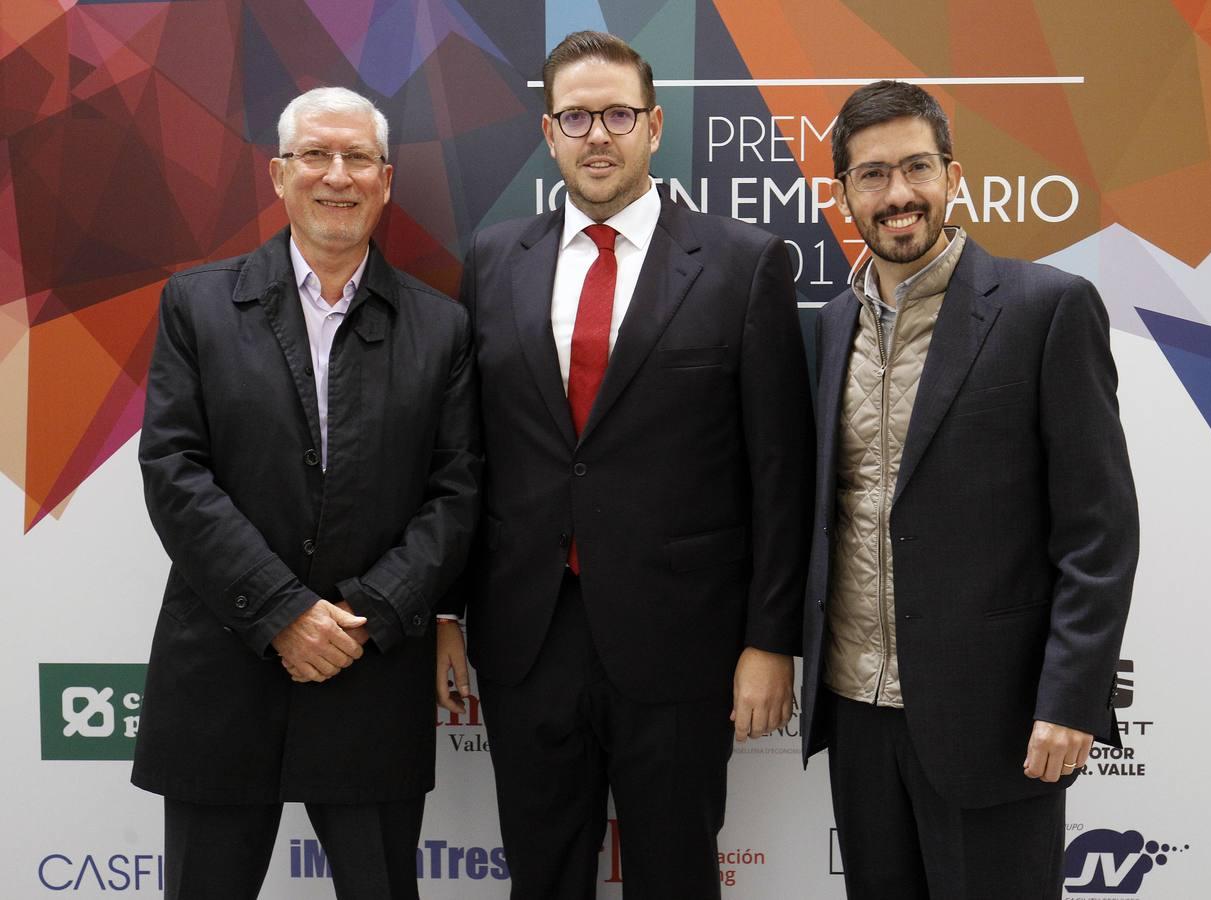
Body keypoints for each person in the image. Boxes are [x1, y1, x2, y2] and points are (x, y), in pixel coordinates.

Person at [438, 30, 813, 900]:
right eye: (576, 116)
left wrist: (770, 639)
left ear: (653, 125)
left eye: (616, 114)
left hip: (682, 640)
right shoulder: (494, 261)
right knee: (542, 875)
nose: (596, 134)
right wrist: (448, 614)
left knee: (676, 875)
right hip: (528, 635)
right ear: (548, 131)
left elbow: (780, 472)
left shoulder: (742, 262)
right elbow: (467, 452)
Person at [132, 86, 480, 900]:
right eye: (316, 156)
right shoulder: (198, 304)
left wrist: (368, 614)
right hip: (225, 665)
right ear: (278, 175)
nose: (338, 175)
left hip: (370, 668)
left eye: (358, 157)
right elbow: (174, 473)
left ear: (386, 180)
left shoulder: (441, 328)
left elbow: (457, 492)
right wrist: (283, 612)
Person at [799, 80, 1138, 899]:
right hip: (859, 711)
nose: (899, 194)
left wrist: (1070, 699)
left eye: (917, 167)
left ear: (953, 175)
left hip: (1001, 721)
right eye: (873, 175)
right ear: (843, 192)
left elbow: (1098, 532)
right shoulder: (819, 329)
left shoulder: (1045, 309)